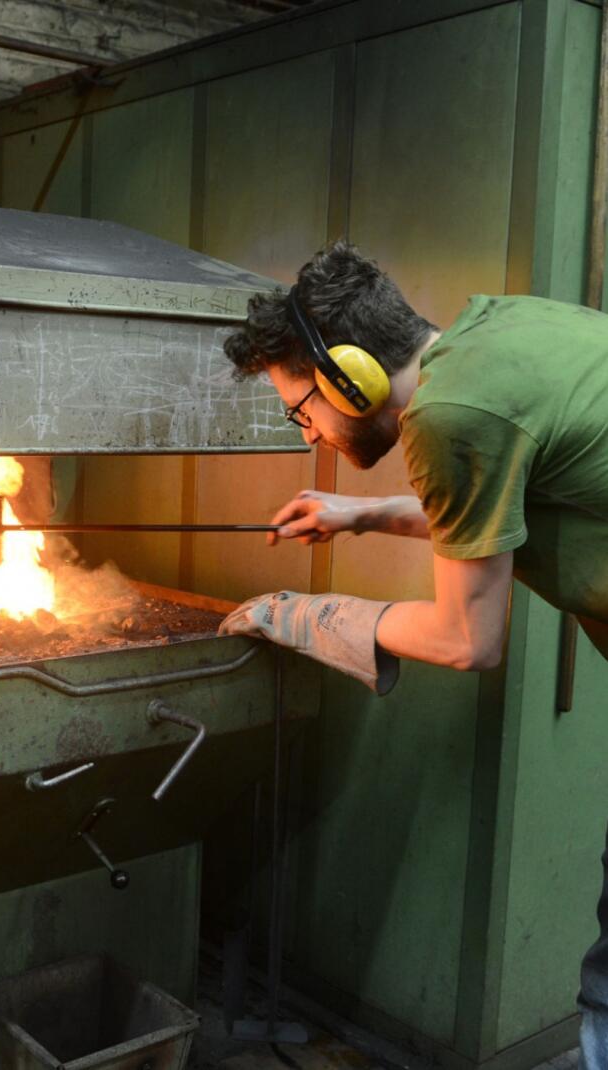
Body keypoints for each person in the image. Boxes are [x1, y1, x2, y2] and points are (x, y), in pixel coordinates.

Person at [219, 239, 608, 1065]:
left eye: (301, 409)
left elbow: (470, 640)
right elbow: (495, 508)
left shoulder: (448, 419)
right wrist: (358, 514)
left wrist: (307, 615)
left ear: (348, 377)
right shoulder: (498, 332)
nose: (311, 431)